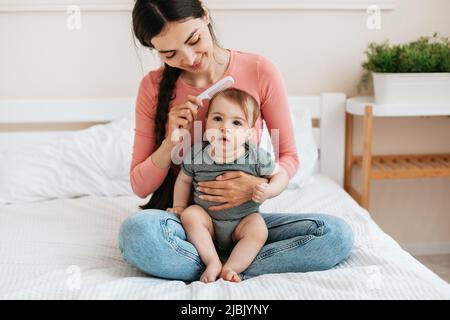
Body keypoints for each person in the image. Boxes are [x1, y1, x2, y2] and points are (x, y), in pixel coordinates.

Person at [119, 0, 354, 282]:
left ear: (205, 15)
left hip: (244, 221)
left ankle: (229, 265)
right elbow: (140, 186)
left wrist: (258, 186)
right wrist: (170, 142)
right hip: (189, 223)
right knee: (137, 233)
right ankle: (218, 262)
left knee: (335, 235)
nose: (190, 57)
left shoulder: (259, 70)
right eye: (170, 53)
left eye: (193, 40)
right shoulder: (152, 87)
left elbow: (289, 157)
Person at [167, 88, 289, 283]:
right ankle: (212, 261)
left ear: (249, 132)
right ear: (206, 123)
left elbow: (281, 175)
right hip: (208, 222)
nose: (225, 127)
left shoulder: (255, 156)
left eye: (236, 123)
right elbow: (184, 179)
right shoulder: (197, 153)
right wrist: (180, 206)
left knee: (259, 230)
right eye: (217, 119)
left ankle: (232, 266)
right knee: (190, 215)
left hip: (243, 221)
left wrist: (269, 190)